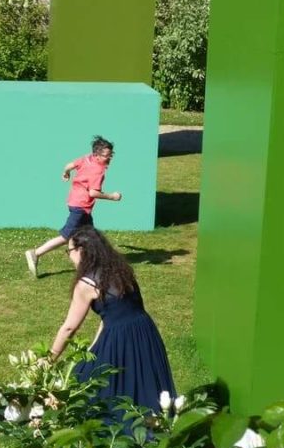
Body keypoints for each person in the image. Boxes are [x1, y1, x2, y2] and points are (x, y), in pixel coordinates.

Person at [48, 226, 175, 419]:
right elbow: (113, 314)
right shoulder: (121, 270)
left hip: (120, 337)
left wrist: (49, 359)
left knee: (84, 378)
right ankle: (153, 421)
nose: (69, 256)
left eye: (69, 251)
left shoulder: (86, 284)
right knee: (142, 381)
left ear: (81, 250)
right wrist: (95, 346)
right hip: (145, 331)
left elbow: (69, 328)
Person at [25, 135, 121, 278]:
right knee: (66, 236)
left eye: (111, 155)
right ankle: (36, 253)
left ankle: (86, 264)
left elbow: (69, 165)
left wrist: (66, 173)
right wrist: (112, 196)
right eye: (106, 155)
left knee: (90, 236)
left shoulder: (86, 158)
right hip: (81, 206)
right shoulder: (98, 171)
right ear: (97, 154)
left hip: (74, 202)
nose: (109, 158)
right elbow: (93, 192)